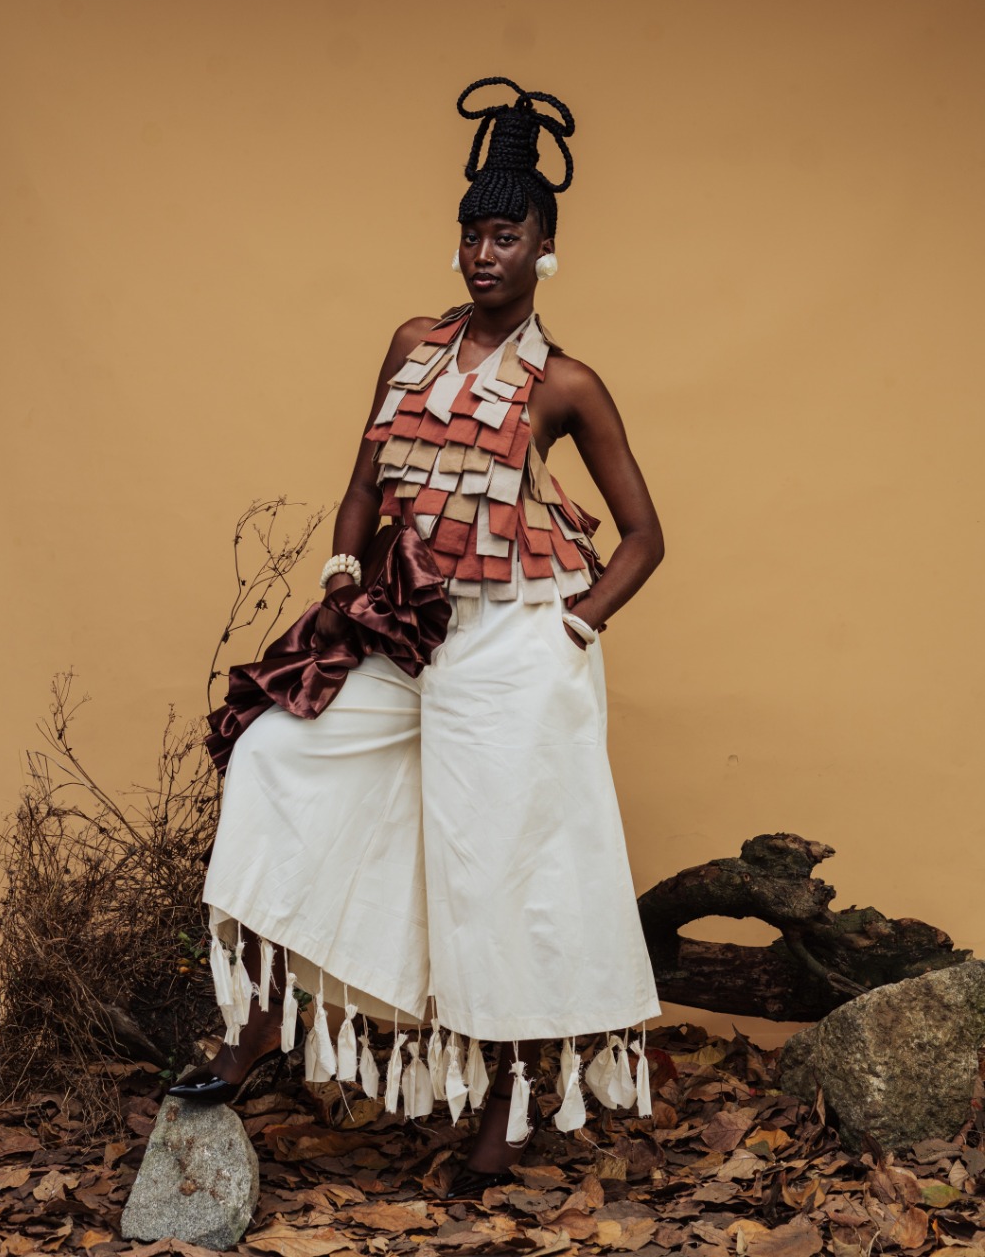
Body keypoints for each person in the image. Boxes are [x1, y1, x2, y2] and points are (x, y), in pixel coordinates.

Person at [171, 77, 665, 1197]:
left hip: (513, 648)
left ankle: (501, 1107)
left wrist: (572, 630)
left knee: (494, 874)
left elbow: (645, 537)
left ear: (546, 248)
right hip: (407, 633)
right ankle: (261, 1021)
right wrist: (345, 578)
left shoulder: (566, 384)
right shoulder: (412, 344)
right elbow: (362, 488)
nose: (485, 253)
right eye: (473, 233)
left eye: (508, 235)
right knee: (276, 756)